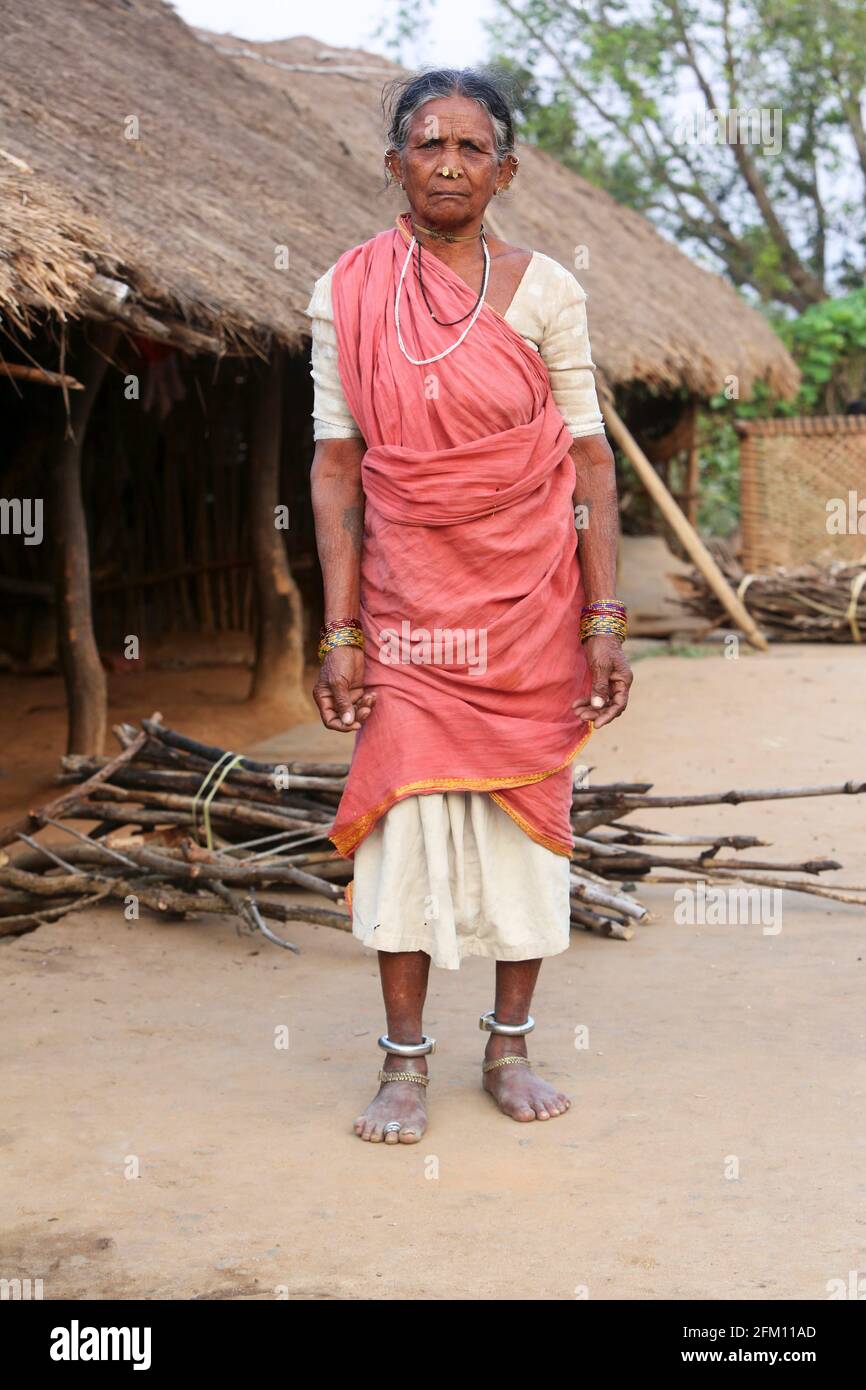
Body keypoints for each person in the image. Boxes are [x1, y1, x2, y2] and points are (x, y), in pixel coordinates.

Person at [306, 67, 632, 1144]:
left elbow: (585, 459)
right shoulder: (345, 289)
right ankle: (402, 1062)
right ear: (394, 159)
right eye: (427, 144)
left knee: (526, 831)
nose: (448, 163)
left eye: (470, 148)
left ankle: (508, 1045)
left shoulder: (546, 290)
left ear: (506, 171)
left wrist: (603, 618)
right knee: (400, 822)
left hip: (529, 607)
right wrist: (341, 629)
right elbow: (336, 466)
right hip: (403, 609)